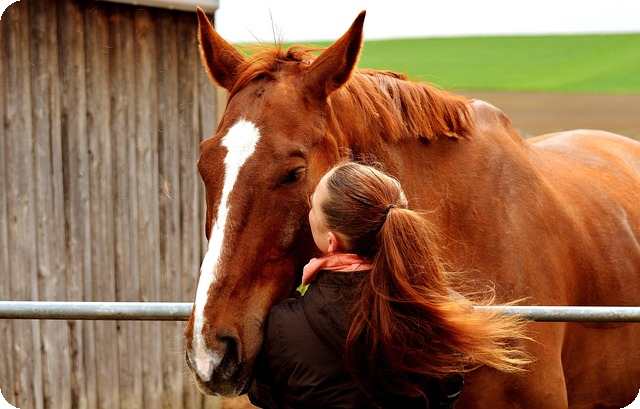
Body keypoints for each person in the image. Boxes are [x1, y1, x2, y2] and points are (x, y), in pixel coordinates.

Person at [249, 161, 532, 409]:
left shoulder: (283, 326)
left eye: (313, 207)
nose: (309, 210)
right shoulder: (445, 315)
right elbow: (448, 392)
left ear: (331, 242)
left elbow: (265, 395)